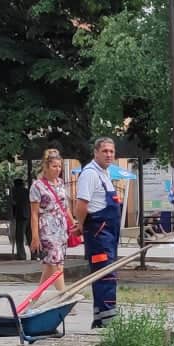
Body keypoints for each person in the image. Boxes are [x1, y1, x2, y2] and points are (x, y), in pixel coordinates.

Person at [73, 136, 124, 327]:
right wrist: (80, 225)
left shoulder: (105, 173)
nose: (109, 155)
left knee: (107, 276)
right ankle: (107, 324)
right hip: (99, 236)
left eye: (112, 151)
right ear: (95, 152)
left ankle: (101, 320)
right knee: (105, 277)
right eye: (105, 151)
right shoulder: (90, 173)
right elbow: (81, 204)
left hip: (108, 237)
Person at [29, 149, 71, 272]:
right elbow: (34, 213)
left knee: (52, 263)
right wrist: (35, 236)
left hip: (61, 228)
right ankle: (64, 291)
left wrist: (72, 222)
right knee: (56, 264)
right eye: (54, 166)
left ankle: (40, 292)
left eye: (59, 166)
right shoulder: (37, 186)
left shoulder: (61, 183)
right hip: (47, 227)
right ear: (46, 167)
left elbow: (65, 207)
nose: (58, 169)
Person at [8, 171, 31, 260]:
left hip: (20, 216)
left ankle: (21, 255)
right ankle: (35, 254)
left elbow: (13, 203)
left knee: (19, 237)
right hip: (29, 215)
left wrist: (12, 216)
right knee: (30, 236)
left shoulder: (14, 191)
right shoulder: (27, 191)